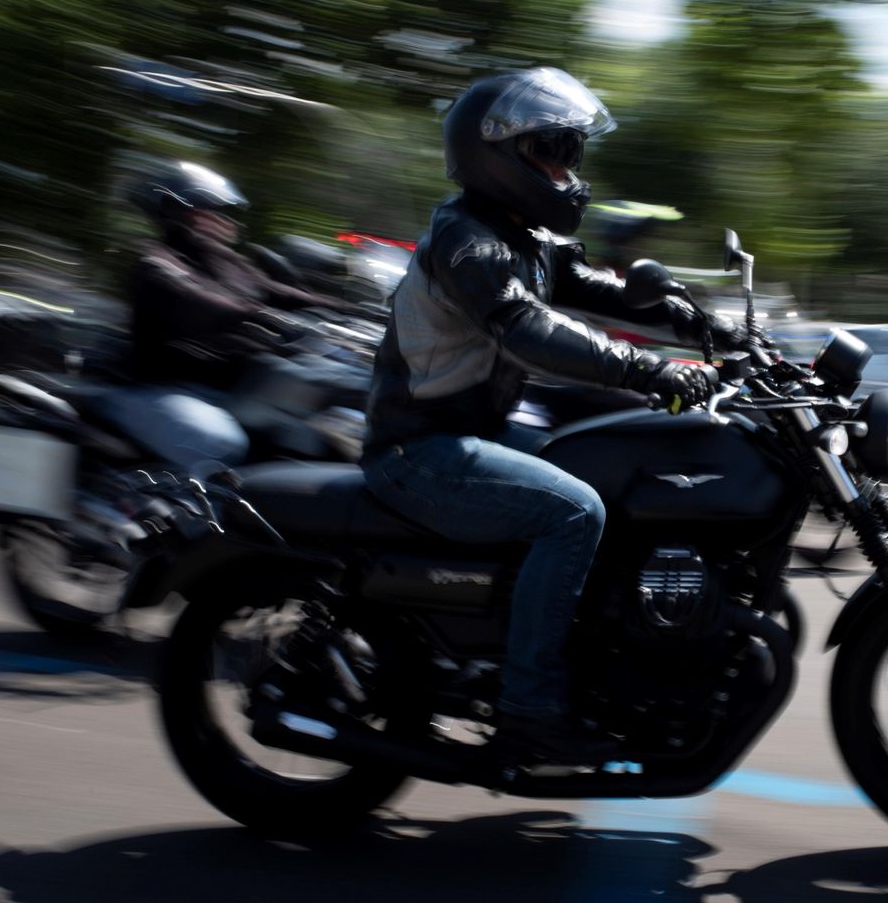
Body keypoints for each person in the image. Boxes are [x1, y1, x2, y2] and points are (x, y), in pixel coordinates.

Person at [362, 66, 745, 762]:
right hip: (419, 450)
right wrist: (647, 370)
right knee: (574, 511)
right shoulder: (467, 240)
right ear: (497, 154)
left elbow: (609, 291)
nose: (566, 171)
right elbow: (527, 326)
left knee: (617, 473)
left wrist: (708, 329)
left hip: (475, 433)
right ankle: (529, 708)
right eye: (551, 152)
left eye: (570, 153)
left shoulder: (524, 235)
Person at [104, 160, 348, 466]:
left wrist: (348, 309)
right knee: (219, 444)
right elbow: (192, 300)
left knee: (306, 427)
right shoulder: (156, 261)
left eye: (225, 213)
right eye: (212, 210)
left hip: (232, 385)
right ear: (180, 213)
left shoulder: (224, 259)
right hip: (170, 387)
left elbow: (276, 291)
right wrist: (258, 315)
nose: (226, 221)